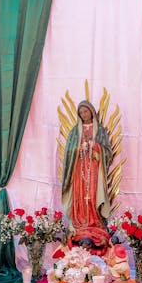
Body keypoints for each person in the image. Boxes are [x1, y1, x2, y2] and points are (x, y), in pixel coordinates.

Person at [61, 100, 113, 255]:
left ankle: (94, 221)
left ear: (92, 111)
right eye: (81, 112)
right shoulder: (74, 131)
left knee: (92, 195)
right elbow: (68, 152)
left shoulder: (101, 131)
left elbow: (107, 151)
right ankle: (79, 223)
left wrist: (95, 147)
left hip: (94, 169)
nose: (84, 114)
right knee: (80, 195)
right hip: (78, 169)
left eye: (86, 111)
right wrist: (78, 149)